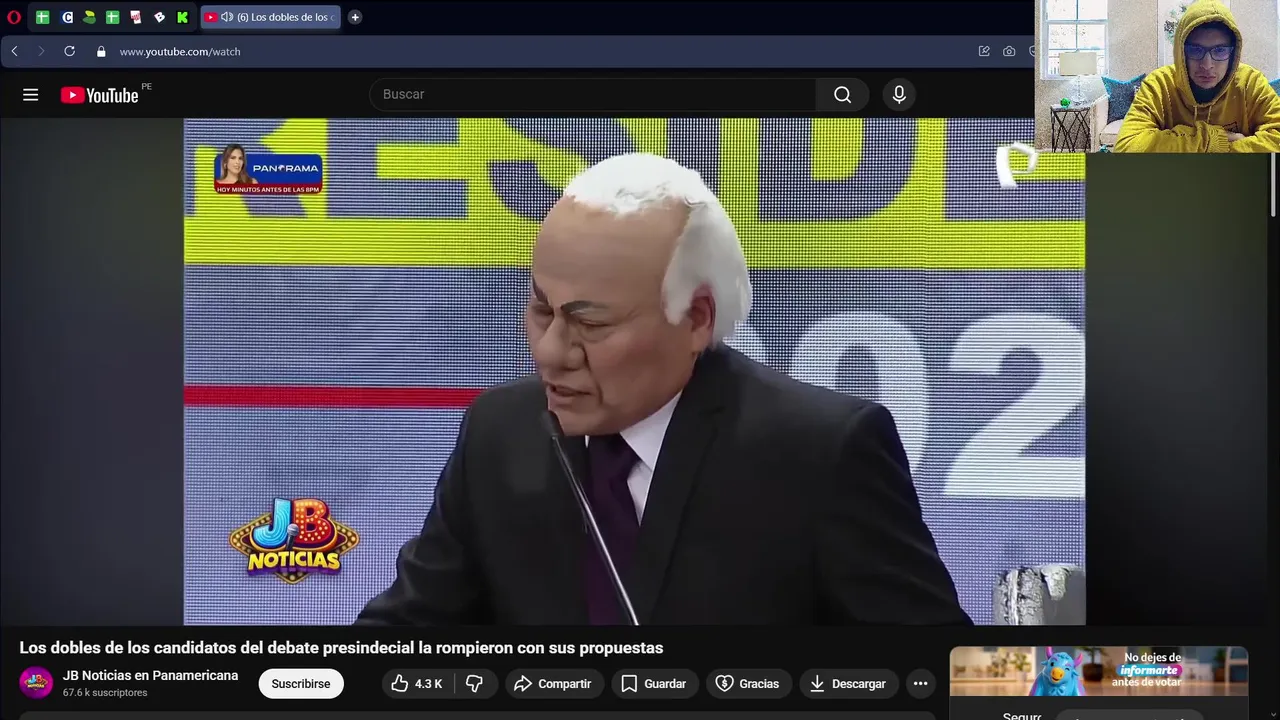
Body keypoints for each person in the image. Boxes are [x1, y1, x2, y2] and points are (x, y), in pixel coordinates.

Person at [356, 153, 970, 626]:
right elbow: (402, 636)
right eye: (542, 310)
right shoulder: (500, 433)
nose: (549, 351)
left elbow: (958, 676)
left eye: (592, 323)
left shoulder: (820, 453)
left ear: (696, 318)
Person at [1114, 0, 1280, 153]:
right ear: (1181, 52)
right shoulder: (1159, 84)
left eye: (1220, 50)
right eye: (1195, 50)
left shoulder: (1251, 83)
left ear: (1233, 53)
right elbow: (1126, 147)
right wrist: (1215, 140)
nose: (1207, 65)